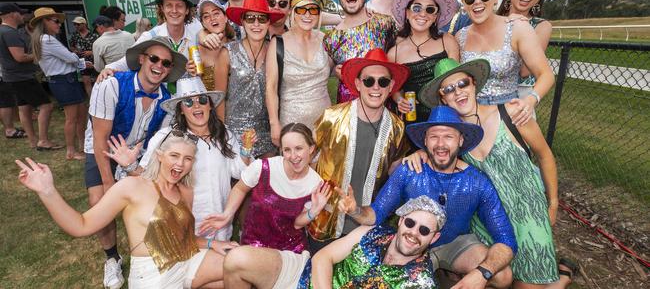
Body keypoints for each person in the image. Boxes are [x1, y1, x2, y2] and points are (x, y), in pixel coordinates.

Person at [418, 58, 574, 288]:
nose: (458, 92)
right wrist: (418, 154)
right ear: (443, 98)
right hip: (488, 217)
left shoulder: (511, 113)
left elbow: (545, 156)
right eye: (449, 89)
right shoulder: (457, 136)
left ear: (473, 84)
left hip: (528, 213)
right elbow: (437, 157)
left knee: (526, 285)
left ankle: (563, 277)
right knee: (493, 274)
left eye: (462, 84)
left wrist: (552, 203)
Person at [17, 132, 238, 288]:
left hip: (187, 261)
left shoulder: (186, 191)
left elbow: (184, 237)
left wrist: (212, 243)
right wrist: (47, 191)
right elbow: (80, 226)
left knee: (242, 270)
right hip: (153, 278)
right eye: (174, 156)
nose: (180, 164)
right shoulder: (131, 188)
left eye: (187, 158)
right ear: (160, 156)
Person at [339, 102, 517, 288]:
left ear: (461, 140)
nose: (440, 144)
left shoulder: (477, 182)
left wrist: (482, 273)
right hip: (414, 240)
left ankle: (450, 274)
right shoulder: (410, 170)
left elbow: (506, 239)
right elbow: (376, 213)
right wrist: (355, 210)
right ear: (425, 141)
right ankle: (442, 277)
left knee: (503, 276)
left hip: (454, 243)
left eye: (448, 136)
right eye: (434, 137)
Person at [84, 36, 187, 288]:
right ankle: (112, 258)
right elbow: (99, 140)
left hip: (137, 152)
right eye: (154, 59)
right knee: (100, 203)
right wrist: (110, 184)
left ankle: (149, 250)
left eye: (165, 63)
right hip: (103, 148)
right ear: (141, 59)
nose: (159, 66)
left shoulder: (166, 101)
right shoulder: (111, 85)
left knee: (152, 199)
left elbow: (156, 144)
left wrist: (140, 170)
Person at [106, 76, 254, 241]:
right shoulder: (167, 137)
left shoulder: (224, 134)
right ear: (181, 109)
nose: (196, 105)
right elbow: (148, 178)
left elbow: (239, 172)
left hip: (219, 222)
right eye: (188, 102)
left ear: (210, 105)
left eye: (202, 100)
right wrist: (130, 165)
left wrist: (246, 150)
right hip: (181, 221)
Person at [223, 195, 445, 288]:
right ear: (401, 221)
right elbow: (323, 257)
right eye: (410, 223)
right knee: (237, 258)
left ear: (434, 238)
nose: (413, 233)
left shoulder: (420, 282)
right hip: (304, 273)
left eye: (424, 230)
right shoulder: (371, 232)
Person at [307, 49, 410, 250]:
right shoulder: (331, 118)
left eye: (383, 82)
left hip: (366, 226)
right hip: (326, 220)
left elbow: (396, 176)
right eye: (369, 81)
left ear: (391, 87)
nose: (376, 87)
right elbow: (309, 159)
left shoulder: (397, 128)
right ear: (357, 84)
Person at [199, 122, 331, 253]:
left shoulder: (315, 184)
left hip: (290, 252)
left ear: (311, 149)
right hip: (254, 245)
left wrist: (313, 211)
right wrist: (227, 214)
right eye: (287, 150)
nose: (293, 156)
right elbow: (240, 188)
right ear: (281, 151)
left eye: (299, 148)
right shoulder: (262, 167)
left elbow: (297, 224)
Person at [458, 0, 554, 125]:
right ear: (464, 3)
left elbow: (546, 75)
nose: (477, 1)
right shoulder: (459, 37)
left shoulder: (518, 28)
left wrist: (530, 101)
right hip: (471, 117)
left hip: (509, 115)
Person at [215, 0, 284, 158]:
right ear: (242, 21)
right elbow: (219, 98)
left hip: (267, 134)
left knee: (268, 181)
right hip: (234, 134)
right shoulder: (228, 52)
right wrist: (223, 134)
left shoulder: (276, 50)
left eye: (262, 19)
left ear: (268, 22)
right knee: (237, 181)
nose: (256, 24)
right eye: (250, 18)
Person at [266, 0, 332, 146]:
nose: (307, 15)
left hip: (324, 123)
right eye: (301, 9)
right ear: (293, 11)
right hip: (291, 124)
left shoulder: (326, 40)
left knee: (321, 172)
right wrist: (274, 123)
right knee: (294, 169)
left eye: (313, 9)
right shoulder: (278, 43)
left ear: (319, 13)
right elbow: (271, 87)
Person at [98, 0, 200, 89]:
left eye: (179, 6)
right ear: (162, 9)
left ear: (187, 10)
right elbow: (127, 61)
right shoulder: (151, 36)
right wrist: (110, 68)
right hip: (159, 99)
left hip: (189, 98)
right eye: (169, 5)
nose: (174, 10)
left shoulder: (196, 34)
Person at [322, 0, 396, 103]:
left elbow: (399, 66)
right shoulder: (331, 39)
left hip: (383, 112)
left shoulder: (385, 24)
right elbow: (319, 77)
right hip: (347, 115)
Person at [388, 0, 460, 124]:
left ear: (435, 17)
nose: (423, 14)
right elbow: (395, 88)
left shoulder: (448, 41)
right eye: (416, 8)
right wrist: (400, 100)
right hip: (413, 121)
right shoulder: (394, 53)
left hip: (446, 117)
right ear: (407, 13)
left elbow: (457, 79)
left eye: (430, 9)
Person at [31, 7, 91, 161]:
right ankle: (71, 151)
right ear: (45, 21)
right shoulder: (48, 40)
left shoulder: (42, 39)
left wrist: (77, 60)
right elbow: (71, 58)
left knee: (80, 114)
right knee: (72, 117)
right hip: (64, 81)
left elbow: (69, 59)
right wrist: (81, 61)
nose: (59, 24)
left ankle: (82, 146)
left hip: (63, 80)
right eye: (56, 21)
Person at [0, 3, 59, 150]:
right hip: (22, 76)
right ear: (13, 14)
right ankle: (43, 141)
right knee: (46, 106)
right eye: (20, 13)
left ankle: (33, 141)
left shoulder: (3, 30)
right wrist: (40, 55)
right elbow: (19, 57)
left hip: (11, 76)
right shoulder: (10, 32)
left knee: (24, 108)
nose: (22, 16)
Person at [497, 0, 553, 104]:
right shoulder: (492, 21)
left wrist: (519, 26)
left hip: (519, 98)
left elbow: (524, 71)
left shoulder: (541, 26)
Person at [194, 0, 236, 90]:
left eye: (216, 13)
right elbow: (193, 87)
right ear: (203, 24)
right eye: (206, 16)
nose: (212, 18)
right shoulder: (198, 53)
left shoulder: (237, 46)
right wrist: (191, 72)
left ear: (225, 18)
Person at [69, 16, 99, 96]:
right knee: (86, 82)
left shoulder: (94, 35)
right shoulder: (75, 35)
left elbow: (100, 48)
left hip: (94, 60)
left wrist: (91, 52)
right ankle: (91, 100)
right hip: (82, 61)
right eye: (74, 24)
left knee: (98, 81)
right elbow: (71, 46)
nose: (76, 26)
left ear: (84, 24)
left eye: (78, 24)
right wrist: (75, 51)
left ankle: (99, 98)